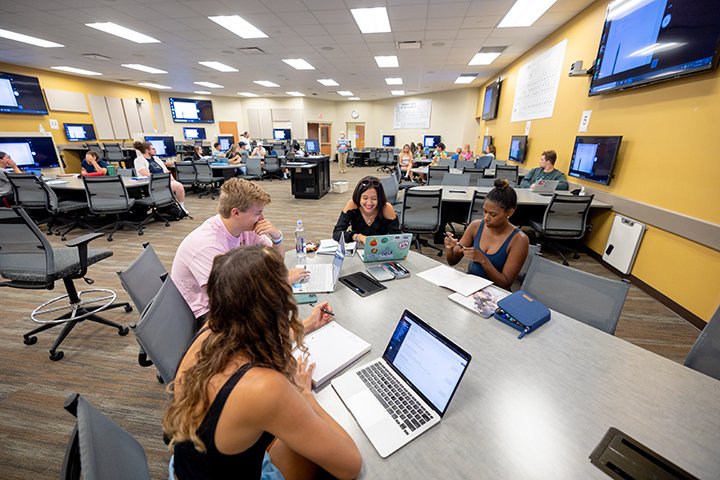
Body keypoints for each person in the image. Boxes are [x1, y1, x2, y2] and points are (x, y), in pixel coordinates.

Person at [164, 246, 363, 480]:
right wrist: (305, 395)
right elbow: (350, 466)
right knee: (325, 459)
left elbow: (249, 335)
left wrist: (307, 325)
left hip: (188, 468)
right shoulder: (264, 388)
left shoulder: (210, 330)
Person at [171, 178, 307, 322]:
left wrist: (277, 238)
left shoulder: (245, 227)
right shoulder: (207, 245)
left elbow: (274, 263)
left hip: (231, 297)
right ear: (236, 213)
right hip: (207, 314)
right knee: (275, 317)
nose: (262, 219)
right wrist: (281, 284)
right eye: (257, 213)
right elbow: (229, 301)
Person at [444, 179, 529, 289]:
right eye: (484, 211)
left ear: (510, 212)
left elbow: (505, 283)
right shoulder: (475, 226)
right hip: (470, 287)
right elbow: (452, 261)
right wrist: (450, 248)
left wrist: (483, 260)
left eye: (493, 214)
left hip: (495, 293)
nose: (486, 218)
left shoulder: (519, 240)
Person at [333, 175, 401, 244]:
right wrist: (357, 237)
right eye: (365, 198)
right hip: (358, 248)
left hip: (381, 249)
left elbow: (397, 238)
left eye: (374, 199)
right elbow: (337, 234)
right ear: (359, 197)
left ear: (380, 199)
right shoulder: (353, 205)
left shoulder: (386, 208)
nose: (369, 203)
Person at [133, 141, 187, 211]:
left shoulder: (156, 159)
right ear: (147, 150)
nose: (155, 150)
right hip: (153, 183)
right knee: (178, 186)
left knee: (179, 185)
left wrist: (172, 179)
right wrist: (163, 179)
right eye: (153, 149)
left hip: (164, 180)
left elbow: (166, 171)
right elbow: (146, 174)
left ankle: (181, 206)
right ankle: (179, 207)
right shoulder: (139, 160)